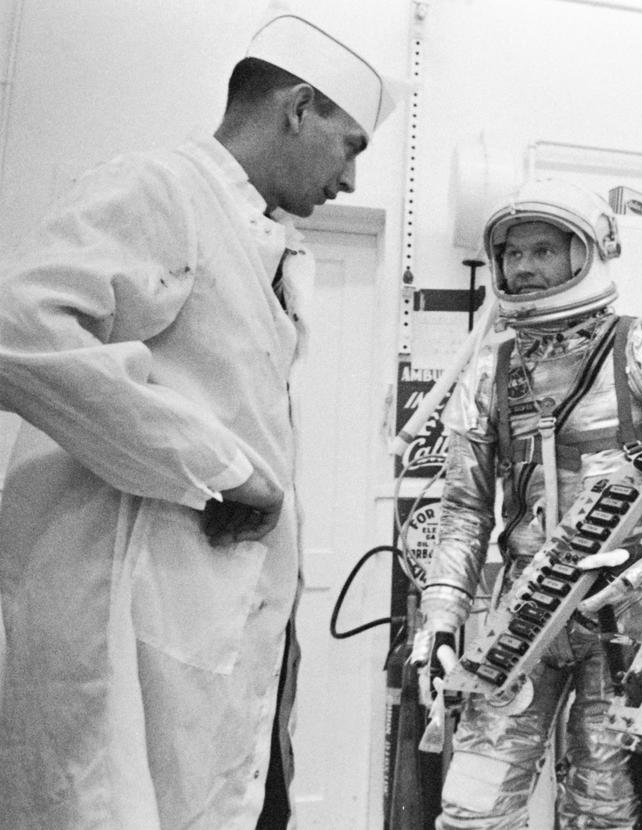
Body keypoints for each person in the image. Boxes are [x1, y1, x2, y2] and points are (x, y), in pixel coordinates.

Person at [0, 13, 395, 829]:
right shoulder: (160, 189)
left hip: (211, 618)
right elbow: (20, 331)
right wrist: (222, 468)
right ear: (298, 108)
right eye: (351, 145)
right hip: (130, 615)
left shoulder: (258, 238)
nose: (351, 180)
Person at [414, 178, 642, 829]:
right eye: (510, 255)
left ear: (582, 254)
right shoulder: (490, 372)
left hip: (624, 611)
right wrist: (441, 616)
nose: (522, 267)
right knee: (473, 804)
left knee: (602, 806)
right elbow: (464, 510)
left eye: (540, 251)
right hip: (525, 609)